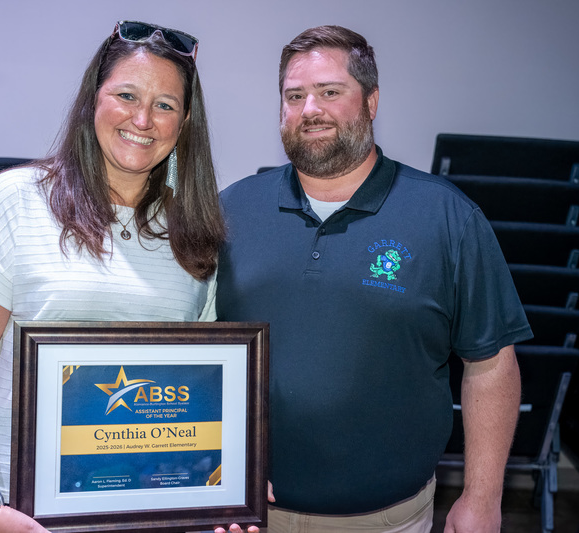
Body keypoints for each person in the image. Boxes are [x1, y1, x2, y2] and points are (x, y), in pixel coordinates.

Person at [215, 26, 532, 533]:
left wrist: (482, 497)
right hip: (246, 517)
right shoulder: (231, 211)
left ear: (372, 101)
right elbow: (195, 355)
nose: (309, 109)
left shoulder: (446, 217)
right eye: (294, 96)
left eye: (330, 92)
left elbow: (491, 364)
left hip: (388, 519)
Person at [0, 21, 227, 532]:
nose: (142, 119)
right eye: (127, 95)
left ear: (185, 121)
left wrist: (231, 480)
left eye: (165, 105)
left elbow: (202, 386)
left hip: (147, 513)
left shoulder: (193, 232)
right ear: (94, 100)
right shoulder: (18, 200)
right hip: (17, 515)